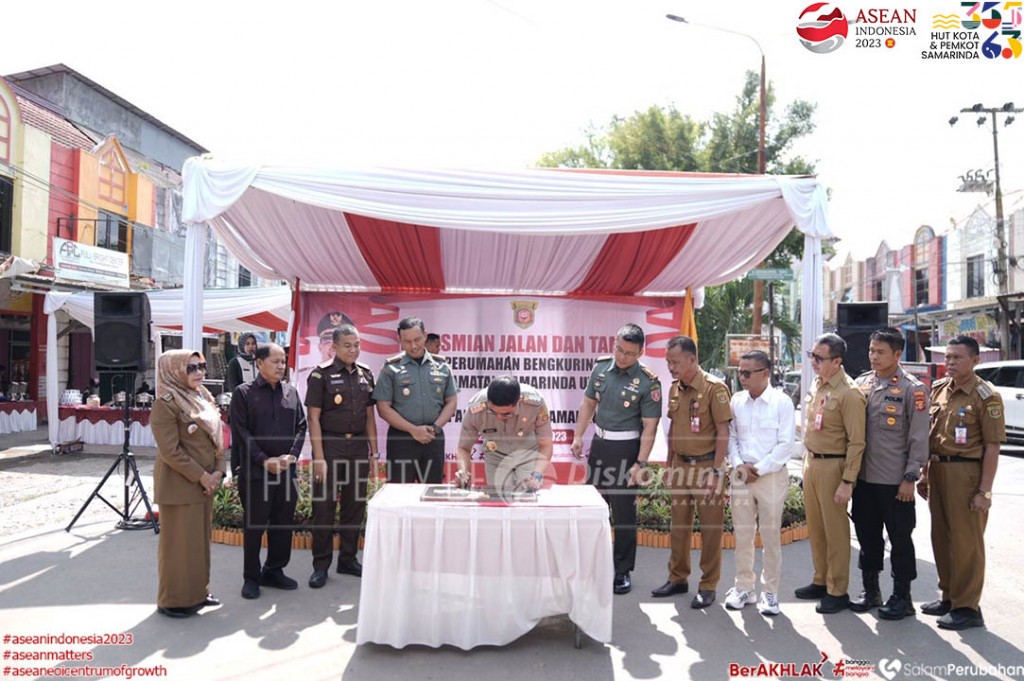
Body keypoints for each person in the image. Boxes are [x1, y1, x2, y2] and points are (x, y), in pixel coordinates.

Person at [918, 335, 1004, 630]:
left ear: (975, 361)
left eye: (957, 358)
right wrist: (926, 473)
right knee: (941, 537)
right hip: (939, 470)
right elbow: (932, 437)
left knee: (966, 542)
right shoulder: (940, 390)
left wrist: (985, 490)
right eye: (948, 357)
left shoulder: (986, 396)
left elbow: (993, 446)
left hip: (967, 474)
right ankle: (949, 595)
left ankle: (968, 607)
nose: (950, 362)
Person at [572, 323, 661, 596]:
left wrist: (641, 463)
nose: (622, 357)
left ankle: (621, 571)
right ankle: (592, 565)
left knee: (623, 514)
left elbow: (650, 426)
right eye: (619, 350)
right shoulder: (600, 368)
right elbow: (589, 404)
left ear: (641, 352)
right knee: (594, 508)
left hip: (626, 450)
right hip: (599, 445)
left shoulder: (648, 381)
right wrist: (578, 436)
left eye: (630, 353)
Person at [849, 328, 928, 620]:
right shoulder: (861, 384)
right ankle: (871, 591)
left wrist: (911, 476)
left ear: (897, 354)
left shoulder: (913, 389)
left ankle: (902, 597)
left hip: (895, 481)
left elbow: (919, 437)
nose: (874, 356)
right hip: (864, 478)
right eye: (871, 350)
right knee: (867, 535)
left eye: (880, 352)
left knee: (900, 538)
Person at [654, 335, 731, 608]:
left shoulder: (714, 388)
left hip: (706, 467)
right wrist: (668, 462)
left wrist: (716, 470)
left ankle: (708, 585)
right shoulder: (676, 388)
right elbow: (673, 428)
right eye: (668, 362)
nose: (671, 367)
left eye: (675, 362)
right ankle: (678, 578)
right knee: (679, 526)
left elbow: (723, 431)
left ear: (692, 359)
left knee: (710, 529)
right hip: (680, 467)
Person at [151, 350, 225, 618]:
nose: (199, 373)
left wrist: (219, 471)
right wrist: (202, 476)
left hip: (205, 484)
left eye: (202, 367)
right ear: (174, 370)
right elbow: (171, 451)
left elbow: (217, 436)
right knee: (178, 548)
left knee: (199, 544)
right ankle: (174, 600)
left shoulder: (203, 396)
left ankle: (198, 592)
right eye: (191, 368)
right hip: (180, 486)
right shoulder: (166, 403)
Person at [795, 333, 865, 614]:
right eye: (812, 355)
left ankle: (838, 589)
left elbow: (857, 442)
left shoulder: (849, 393)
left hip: (835, 467)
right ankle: (820, 580)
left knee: (835, 531)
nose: (813, 361)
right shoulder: (818, 384)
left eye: (819, 358)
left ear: (837, 361)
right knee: (816, 527)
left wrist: (848, 481)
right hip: (812, 463)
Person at [230, 343, 306, 600]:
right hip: (256, 473)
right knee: (255, 526)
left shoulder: (291, 393)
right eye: (275, 361)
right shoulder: (244, 393)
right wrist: (264, 460)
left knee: (283, 524)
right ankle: (251, 577)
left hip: (286, 472)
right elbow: (241, 432)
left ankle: (274, 570)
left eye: (283, 361)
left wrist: (291, 456)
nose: (281, 366)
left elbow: (301, 427)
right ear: (259, 363)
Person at [306, 324, 379, 587]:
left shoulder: (366, 374)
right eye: (347, 345)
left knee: (355, 505)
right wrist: (319, 457)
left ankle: (348, 559)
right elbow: (313, 418)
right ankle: (320, 565)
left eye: (357, 344)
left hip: (358, 447)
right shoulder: (320, 375)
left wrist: (374, 452)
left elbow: (370, 416)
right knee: (324, 507)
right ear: (334, 347)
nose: (353, 350)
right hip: (330, 446)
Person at [724, 350, 795, 616]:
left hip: (771, 478)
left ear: (765, 373)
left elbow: (785, 444)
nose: (742, 377)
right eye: (739, 372)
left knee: (770, 535)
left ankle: (770, 593)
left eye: (747, 372)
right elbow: (731, 437)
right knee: (742, 534)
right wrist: (739, 464)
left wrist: (760, 468)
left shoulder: (782, 402)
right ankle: (744, 587)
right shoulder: (737, 401)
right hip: (742, 477)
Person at [373, 317, 457, 483]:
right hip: (402, 440)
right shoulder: (391, 368)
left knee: (432, 494)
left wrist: (435, 427)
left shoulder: (442, 366)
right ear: (400, 341)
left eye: (417, 340)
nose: (413, 346)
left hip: (433, 437)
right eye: (407, 341)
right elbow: (383, 408)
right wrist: (413, 430)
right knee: (400, 494)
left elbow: (451, 401)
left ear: (425, 336)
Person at [456, 376, 552, 494]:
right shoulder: (476, 407)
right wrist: (463, 471)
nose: (499, 417)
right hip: (496, 457)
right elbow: (463, 448)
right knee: (499, 498)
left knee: (526, 498)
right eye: (493, 412)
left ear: (519, 401)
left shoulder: (535, 403)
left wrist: (537, 474)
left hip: (527, 454)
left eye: (507, 414)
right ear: (488, 402)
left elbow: (546, 444)